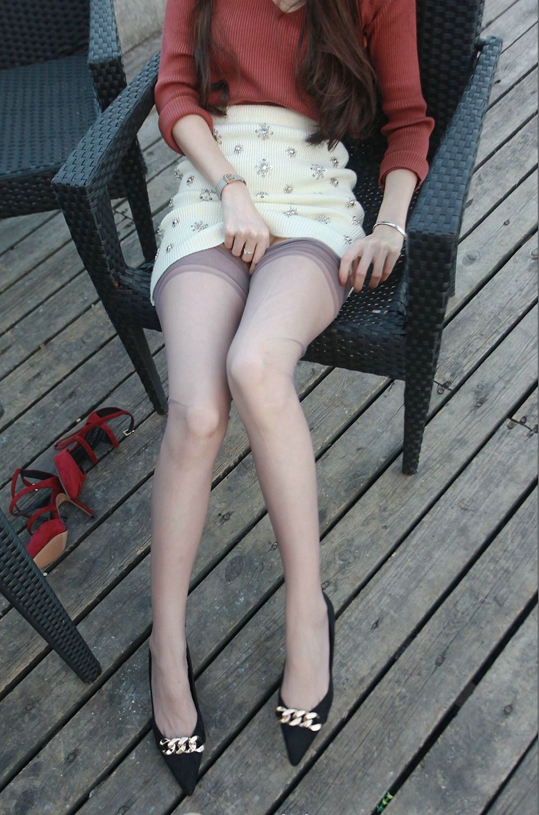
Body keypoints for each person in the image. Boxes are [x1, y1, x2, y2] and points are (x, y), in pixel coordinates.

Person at [146, 0, 434, 794]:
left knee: (255, 366)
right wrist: (231, 187)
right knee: (196, 412)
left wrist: (392, 226)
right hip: (213, 192)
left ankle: (307, 611)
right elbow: (174, 91)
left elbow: (409, 122)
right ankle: (165, 646)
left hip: (314, 202)